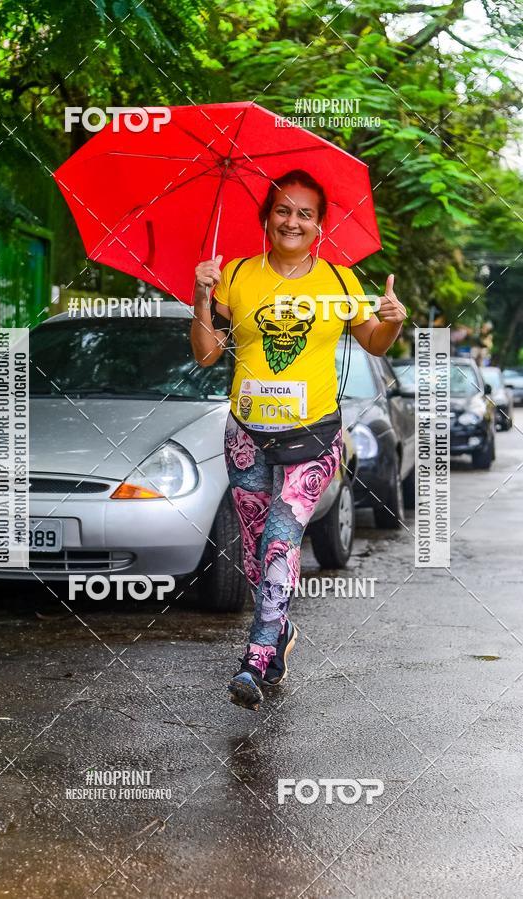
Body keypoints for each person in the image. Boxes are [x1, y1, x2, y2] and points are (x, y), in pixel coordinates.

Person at [190, 169, 406, 711]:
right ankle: (280, 634)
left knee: (282, 540)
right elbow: (206, 354)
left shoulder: (339, 283)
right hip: (246, 434)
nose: (293, 221)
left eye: (305, 213)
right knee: (259, 553)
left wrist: (393, 321)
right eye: (283, 210)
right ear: (267, 218)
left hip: (313, 435)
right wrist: (201, 297)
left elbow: (376, 344)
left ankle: (256, 656)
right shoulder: (235, 275)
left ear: (320, 225)